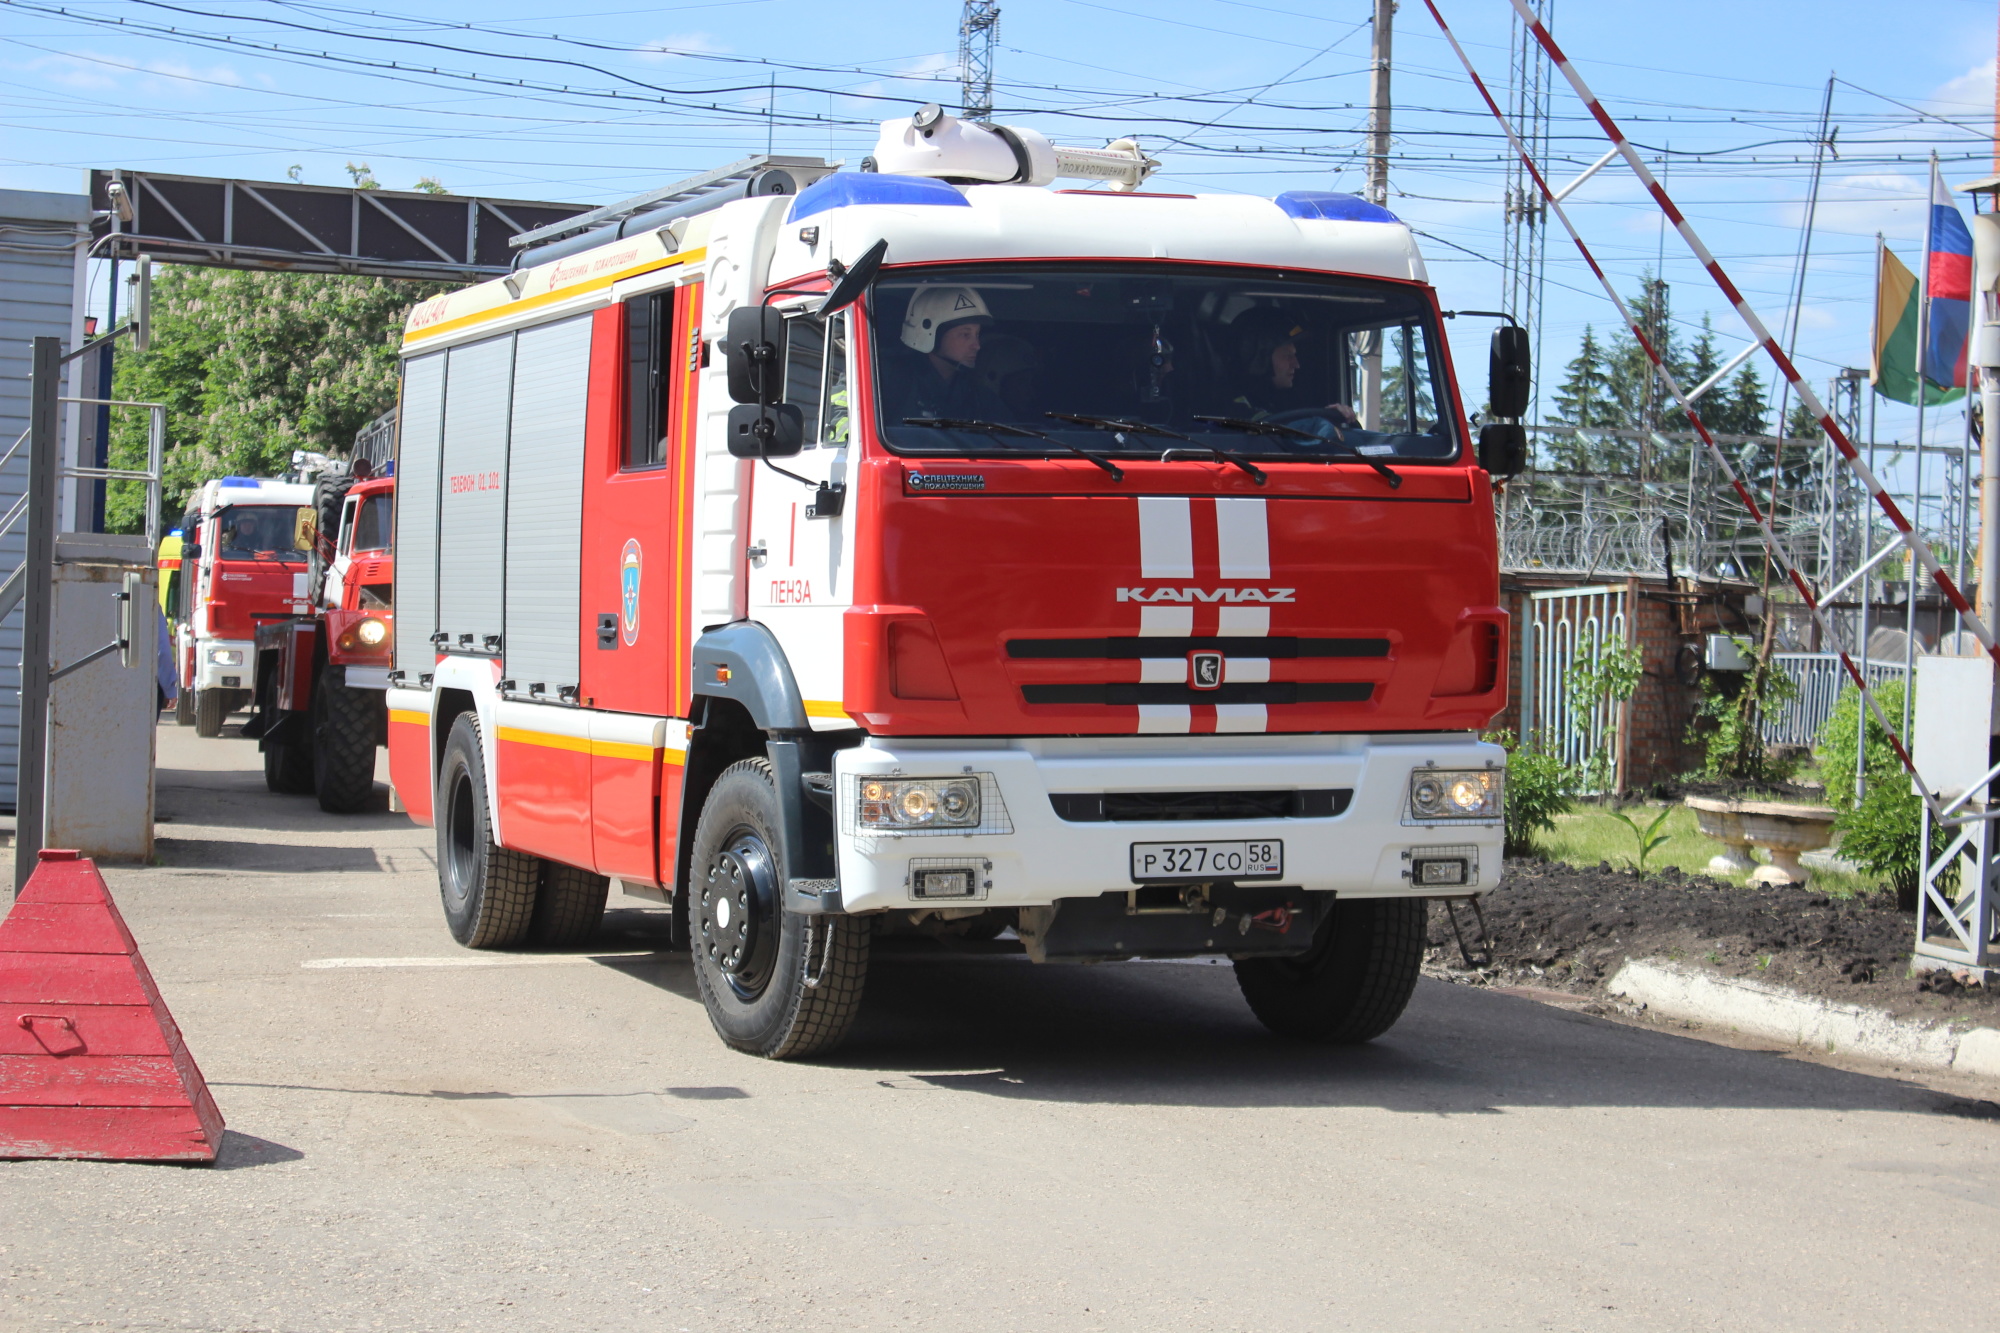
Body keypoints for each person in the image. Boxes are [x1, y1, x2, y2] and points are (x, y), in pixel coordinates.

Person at [897, 285, 1012, 422]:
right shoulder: (894, 385)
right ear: (932, 334)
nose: (977, 345)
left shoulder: (978, 396)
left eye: (977, 334)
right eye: (965, 334)